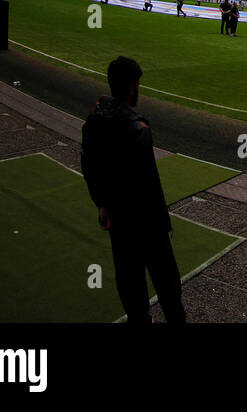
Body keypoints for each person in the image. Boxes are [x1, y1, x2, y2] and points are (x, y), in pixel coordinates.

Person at [80, 57, 186, 323]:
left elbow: (90, 165)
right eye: (137, 84)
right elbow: (148, 183)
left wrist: (102, 203)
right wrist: (161, 222)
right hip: (147, 221)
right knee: (168, 286)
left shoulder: (94, 120)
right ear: (131, 87)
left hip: (118, 219)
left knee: (129, 283)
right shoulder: (137, 130)